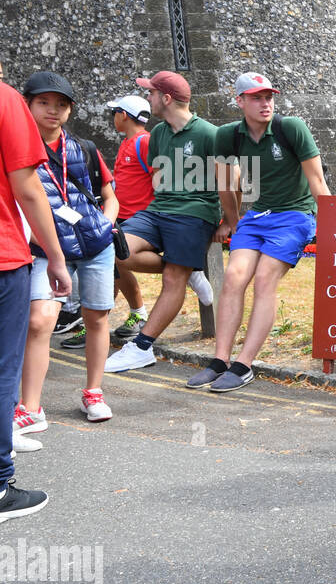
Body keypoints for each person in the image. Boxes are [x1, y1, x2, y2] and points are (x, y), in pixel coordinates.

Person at [185, 73, 329, 392]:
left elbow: (317, 182)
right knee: (235, 277)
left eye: (268, 97)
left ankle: (244, 364)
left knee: (264, 279)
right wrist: (233, 221)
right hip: (257, 215)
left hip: (295, 215)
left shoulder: (291, 127)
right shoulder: (227, 135)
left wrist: (335, 223)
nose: (265, 104)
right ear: (240, 102)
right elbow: (225, 184)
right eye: (256, 98)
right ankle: (220, 361)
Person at [106, 71, 228, 373]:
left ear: (166, 98)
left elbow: (230, 178)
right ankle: (187, 268)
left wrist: (229, 221)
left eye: (151, 93)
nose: (148, 99)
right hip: (159, 209)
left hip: (195, 213)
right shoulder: (159, 134)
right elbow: (158, 174)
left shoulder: (210, 134)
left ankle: (142, 346)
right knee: (117, 248)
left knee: (172, 277)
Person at [18, 72, 118, 429]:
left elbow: (109, 195)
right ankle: (30, 407)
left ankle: (94, 391)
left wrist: (105, 223)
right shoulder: (14, 150)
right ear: (26, 104)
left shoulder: (84, 149)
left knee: (97, 318)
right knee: (39, 321)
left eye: (61, 104)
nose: (53, 111)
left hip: (95, 246)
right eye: (43, 102)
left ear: (70, 110)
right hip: (46, 250)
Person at [1, 66, 70, 516]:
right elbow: (28, 189)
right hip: (4, 257)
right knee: (2, 371)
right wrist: (57, 257)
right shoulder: (5, 100)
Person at [62, 94, 153, 350]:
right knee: (111, 269)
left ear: (123, 115)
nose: (113, 117)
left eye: (115, 113)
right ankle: (98, 323)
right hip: (122, 217)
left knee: (112, 265)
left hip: (140, 220)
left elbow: (158, 179)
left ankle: (114, 319)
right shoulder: (128, 142)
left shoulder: (143, 142)